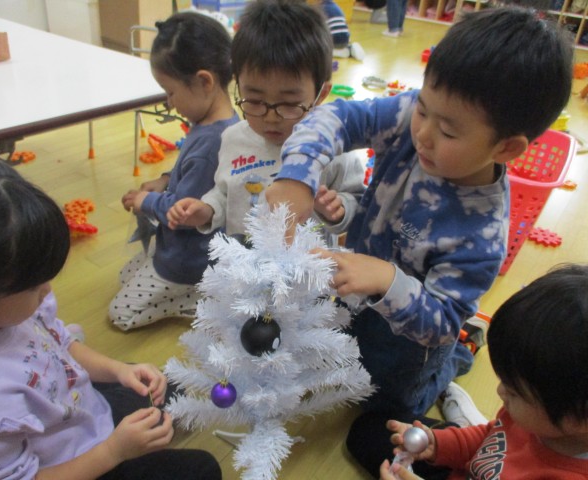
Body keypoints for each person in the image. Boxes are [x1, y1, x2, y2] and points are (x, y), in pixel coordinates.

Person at [263, 7, 573, 475]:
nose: (422, 133)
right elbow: (337, 117)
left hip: (407, 347)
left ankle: (458, 359)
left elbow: (441, 321)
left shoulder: (482, 231)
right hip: (356, 298)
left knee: (388, 400)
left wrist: (387, 280)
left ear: (506, 147)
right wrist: (297, 175)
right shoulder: (418, 115)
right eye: (423, 109)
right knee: (339, 352)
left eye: (447, 131)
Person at [0, 156, 222, 480]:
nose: (47, 291)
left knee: (169, 389)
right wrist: (113, 452)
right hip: (77, 464)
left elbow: (60, 344)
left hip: (82, 411)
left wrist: (118, 370)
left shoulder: (3, 311)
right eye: (34, 286)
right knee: (203, 469)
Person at [166, 0, 365, 246]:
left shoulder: (335, 148)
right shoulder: (232, 138)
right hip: (244, 259)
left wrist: (339, 208)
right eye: (255, 101)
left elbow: (357, 200)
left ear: (321, 94)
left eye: (289, 103)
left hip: (306, 264)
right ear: (238, 85)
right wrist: (207, 209)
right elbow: (225, 192)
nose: (271, 118)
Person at [380, 263, 588, 480]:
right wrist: (439, 445)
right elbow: (492, 438)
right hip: (475, 468)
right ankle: (461, 426)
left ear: (576, 418)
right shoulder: (538, 414)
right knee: (370, 431)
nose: (500, 392)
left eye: (514, 392)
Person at [110, 12, 239, 331]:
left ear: (205, 81)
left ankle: (193, 299)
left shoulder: (213, 142)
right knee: (124, 277)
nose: (168, 103)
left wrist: (145, 202)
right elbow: (192, 174)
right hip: (178, 247)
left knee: (120, 315)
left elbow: (183, 213)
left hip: (188, 259)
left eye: (170, 92)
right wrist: (165, 179)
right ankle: (184, 289)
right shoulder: (210, 123)